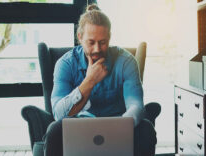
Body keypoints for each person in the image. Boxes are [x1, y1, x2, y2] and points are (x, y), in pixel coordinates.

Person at [43, 4, 157, 156]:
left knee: (146, 129)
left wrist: (119, 129)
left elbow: (135, 105)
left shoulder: (126, 62)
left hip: (120, 127)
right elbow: (58, 114)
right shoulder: (65, 64)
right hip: (79, 130)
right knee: (54, 130)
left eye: (103, 42)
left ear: (109, 38)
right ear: (80, 38)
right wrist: (89, 81)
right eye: (91, 42)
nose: (97, 49)